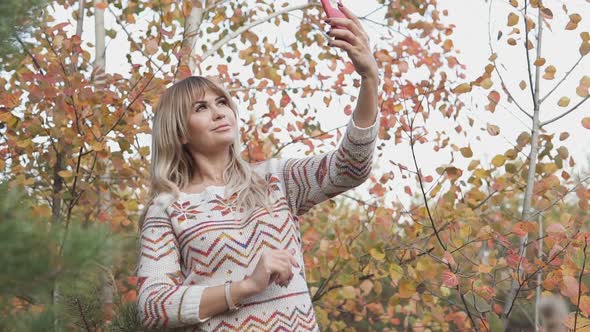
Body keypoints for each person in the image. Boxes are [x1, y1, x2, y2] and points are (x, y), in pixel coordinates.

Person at [135, 4, 380, 331]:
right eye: (202, 107)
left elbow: (351, 167)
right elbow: (152, 306)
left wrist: (369, 78)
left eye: (222, 102)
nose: (219, 112)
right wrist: (245, 286)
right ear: (179, 132)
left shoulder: (277, 178)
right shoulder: (167, 208)